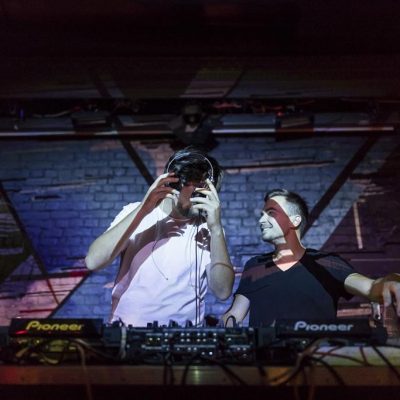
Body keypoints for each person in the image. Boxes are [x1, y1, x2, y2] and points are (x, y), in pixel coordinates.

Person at [85, 147, 234, 327]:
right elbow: (93, 262)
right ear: (174, 183)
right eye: (197, 187)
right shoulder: (135, 213)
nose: (202, 196)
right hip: (128, 331)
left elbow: (223, 291)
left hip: (184, 336)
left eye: (208, 190)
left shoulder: (209, 229)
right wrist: (143, 209)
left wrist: (216, 229)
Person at [223, 188, 400, 327]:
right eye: (262, 215)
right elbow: (234, 315)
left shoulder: (327, 262)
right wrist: (224, 325)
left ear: (294, 220)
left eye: (271, 213)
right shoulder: (254, 265)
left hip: (315, 358)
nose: (261, 220)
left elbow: (371, 288)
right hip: (263, 360)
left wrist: (391, 281)